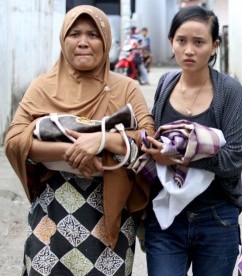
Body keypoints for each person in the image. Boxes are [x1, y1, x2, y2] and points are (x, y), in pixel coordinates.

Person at [4, 5, 155, 275]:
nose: (83, 42)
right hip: (52, 213)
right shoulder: (42, 86)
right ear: (63, 39)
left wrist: (102, 141)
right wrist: (68, 151)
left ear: (106, 40)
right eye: (74, 34)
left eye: (93, 35)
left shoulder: (126, 88)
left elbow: (148, 140)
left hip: (110, 215)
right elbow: (15, 139)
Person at [142, 6, 242, 276]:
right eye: (181, 41)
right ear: (171, 42)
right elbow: (157, 140)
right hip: (166, 217)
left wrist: (179, 156)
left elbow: (235, 158)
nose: (189, 50)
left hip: (217, 218)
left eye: (199, 42)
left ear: (214, 46)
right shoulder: (166, 83)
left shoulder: (229, 90)